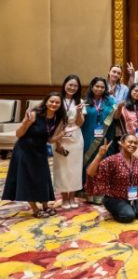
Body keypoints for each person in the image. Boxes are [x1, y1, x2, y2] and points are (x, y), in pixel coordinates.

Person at [2, 93, 65, 218]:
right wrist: (26, 122)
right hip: (24, 149)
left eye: (57, 102)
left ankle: (45, 206)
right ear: (46, 102)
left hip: (40, 150)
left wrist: (61, 135)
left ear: (60, 104)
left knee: (43, 178)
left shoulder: (57, 118)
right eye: (51, 101)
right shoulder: (34, 114)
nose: (54, 104)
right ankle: (35, 209)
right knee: (27, 178)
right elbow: (19, 134)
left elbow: (49, 140)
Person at [87, 134, 138, 223]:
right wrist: (99, 155)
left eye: (135, 143)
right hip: (115, 196)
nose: (133, 145)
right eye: (130, 142)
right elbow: (90, 172)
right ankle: (116, 209)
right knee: (129, 216)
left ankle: (129, 207)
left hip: (134, 193)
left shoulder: (136, 161)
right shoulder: (112, 160)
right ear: (121, 143)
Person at [83, 77, 118, 201]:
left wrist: (120, 107)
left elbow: (116, 116)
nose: (99, 89)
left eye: (102, 87)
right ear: (92, 87)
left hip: (106, 135)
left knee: (104, 162)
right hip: (88, 134)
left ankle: (102, 190)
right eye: (97, 86)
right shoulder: (85, 101)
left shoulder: (110, 100)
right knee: (89, 160)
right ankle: (88, 190)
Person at [56, 75, 85, 210]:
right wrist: (57, 141)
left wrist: (79, 112)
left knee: (75, 168)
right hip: (60, 135)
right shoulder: (57, 99)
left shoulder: (80, 101)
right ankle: (64, 197)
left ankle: (72, 196)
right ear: (64, 84)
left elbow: (80, 123)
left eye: (75, 86)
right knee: (61, 167)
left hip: (75, 136)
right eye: (70, 85)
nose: (72, 88)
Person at [115, 83, 138, 179]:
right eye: (135, 90)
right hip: (130, 136)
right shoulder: (124, 104)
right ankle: (129, 182)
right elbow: (117, 117)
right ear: (130, 91)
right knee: (130, 159)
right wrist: (119, 107)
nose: (137, 93)